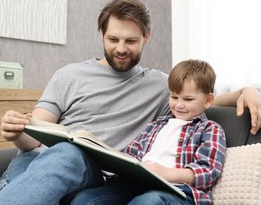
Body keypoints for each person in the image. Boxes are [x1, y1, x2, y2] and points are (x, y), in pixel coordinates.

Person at [0, 0, 261, 204]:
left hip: (98, 177)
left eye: (130, 41)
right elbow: (35, 137)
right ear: (101, 35)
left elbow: (199, 99)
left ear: (146, 37)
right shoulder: (69, 76)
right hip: (44, 163)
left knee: (73, 154)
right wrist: (16, 132)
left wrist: (245, 91)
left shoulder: (160, 85)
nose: (121, 49)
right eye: (113, 39)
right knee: (66, 151)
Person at [70, 59, 226, 205]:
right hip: (136, 186)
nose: (179, 105)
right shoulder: (155, 125)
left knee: (149, 201)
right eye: (174, 97)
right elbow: (131, 155)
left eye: (188, 99)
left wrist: (164, 173)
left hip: (177, 192)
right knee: (84, 199)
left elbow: (208, 171)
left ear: (208, 100)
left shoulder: (210, 129)